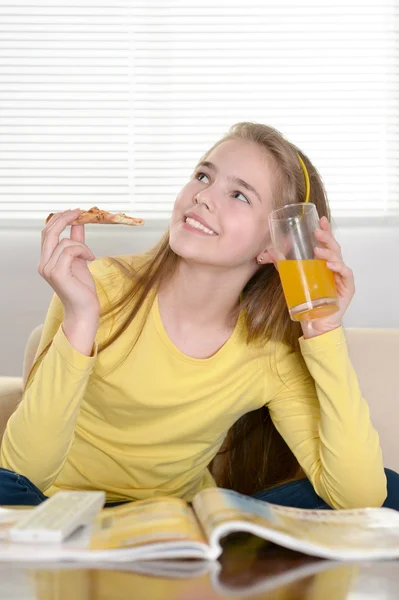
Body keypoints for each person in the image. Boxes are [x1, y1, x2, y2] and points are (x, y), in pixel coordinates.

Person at [0, 122, 398, 511]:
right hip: (58, 512)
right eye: (203, 176)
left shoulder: (270, 353)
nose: (203, 196)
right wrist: (81, 319)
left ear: (274, 245)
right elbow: (22, 475)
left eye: (240, 195)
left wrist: (324, 330)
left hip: (175, 524)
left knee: (389, 488)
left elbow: (360, 498)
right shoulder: (95, 287)